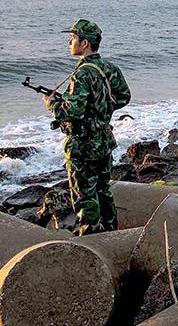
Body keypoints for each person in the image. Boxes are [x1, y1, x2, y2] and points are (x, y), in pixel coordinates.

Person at [44, 19, 131, 235]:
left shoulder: (82, 74)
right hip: (103, 139)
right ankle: (111, 231)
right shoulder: (109, 68)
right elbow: (124, 97)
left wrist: (52, 103)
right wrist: (101, 109)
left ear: (84, 43)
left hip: (83, 144)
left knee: (84, 194)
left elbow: (73, 111)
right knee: (103, 190)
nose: (69, 42)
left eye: (73, 38)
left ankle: (90, 235)